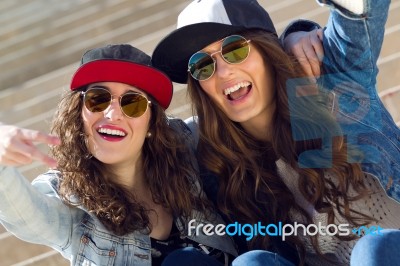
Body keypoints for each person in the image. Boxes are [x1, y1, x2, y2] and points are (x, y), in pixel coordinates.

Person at [151, 0, 400, 265]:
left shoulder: (327, 85)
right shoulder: (212, 150)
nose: (222, 72)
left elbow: (360, 11)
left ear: (267, 50)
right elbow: (132, 141)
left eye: (235, 49)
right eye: (203, 65)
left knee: (374, 248)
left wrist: (295, 34)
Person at [0, 44, 238, 266]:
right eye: (98, 99)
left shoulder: (184, 147)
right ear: (77, 113)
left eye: (133, 103)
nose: (113, 114)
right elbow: (28, 216)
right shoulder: (67, 196)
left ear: (152, 122)